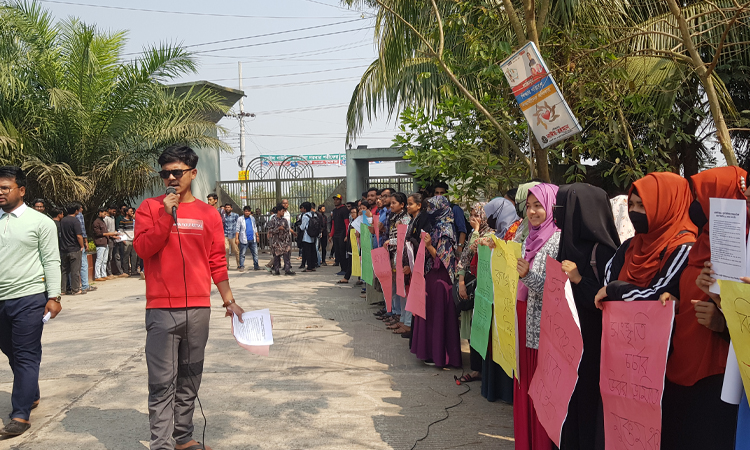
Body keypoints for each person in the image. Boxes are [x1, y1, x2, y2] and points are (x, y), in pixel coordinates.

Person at [133, 145, 246, 450]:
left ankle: (182, 437)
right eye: (165, 173)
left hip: (198, 309)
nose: (170, 178)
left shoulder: (209, 214)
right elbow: (144, 249)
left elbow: (217, 263)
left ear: (192, 174)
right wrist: (166, 217)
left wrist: (229, 300)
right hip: (161, 310)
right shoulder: (148, 208)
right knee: (161, 382)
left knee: (190, 376)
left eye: (177, 172)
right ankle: (161, 444)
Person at [660, 167, 742, 450]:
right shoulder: (702, 243)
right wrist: (674, 299)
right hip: (683, 361)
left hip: (717, 374)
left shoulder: (741, 249)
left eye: (701, 196)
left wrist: (722, 323)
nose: (694, 205)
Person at [554, 183, 620, 450]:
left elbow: (609, 300)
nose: (557, 213)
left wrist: (578, 279)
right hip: (568, 342)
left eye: (563, 207)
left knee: (588, 402)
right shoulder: (566, 244)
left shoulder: (604, 252)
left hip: (592, 346)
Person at [0, 166, 61, 438]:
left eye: (5, 187)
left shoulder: (41, 222)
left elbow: (51, 260)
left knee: (25, 354)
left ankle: (20, 415)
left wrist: (54, 296)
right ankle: (31, 392)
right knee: (12, 352)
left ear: (21, 190)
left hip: (29, 298)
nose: (0, 192)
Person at [515, 183, 561, 450]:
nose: (532, 212)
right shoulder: (529, 238)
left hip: (542, 328)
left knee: (541, 390)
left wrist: (527, 276)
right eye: (529, 206)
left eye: (538, 206)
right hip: (524, 319)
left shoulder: (556, 240)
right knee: (526, 385)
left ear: (551, 207)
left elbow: (555, 290)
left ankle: (540, 443)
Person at [410, 195, 462, 368]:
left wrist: (429, 245)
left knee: (438, 314)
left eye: (433, 207)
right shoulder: (436, 226)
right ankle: (430, 351)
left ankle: (440, 354)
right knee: (430, 313)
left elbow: (443, 260)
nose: (430, 211)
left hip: (441, 279)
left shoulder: (446, 230)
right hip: (432, 276)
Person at [384, 192, 412, 335]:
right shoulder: (395, 217)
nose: (391, 205)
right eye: (391, 203)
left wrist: (391, 242)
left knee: (404, 290)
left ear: (402, 205)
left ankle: (406, 321)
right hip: (395, 255)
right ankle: (401, 318)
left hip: (403, 257)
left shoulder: (406, 219)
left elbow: (405, 239)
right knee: (398, 289)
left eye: (394, 203)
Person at [431, 182, 468, 258]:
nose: (439, 195)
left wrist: (460, 248)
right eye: (437, 193)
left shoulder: (455, 209)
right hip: (434, 251)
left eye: (442, 193)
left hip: (452, 251)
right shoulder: (433, 210)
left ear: (447, 194)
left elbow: (462, 230)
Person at [60, 203, 86, 295]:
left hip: (64, 249)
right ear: (76, 211)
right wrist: (82, 246)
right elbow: (79, 235)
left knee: (64, 271)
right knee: (75, 270)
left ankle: (63, 290)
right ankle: (76, 289)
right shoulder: (75, 221)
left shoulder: (62, 220)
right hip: (74, 249)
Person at [267, 205, 295, 276]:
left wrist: (288, 240)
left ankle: (287, 269)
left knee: (286, 256)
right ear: (278, 211)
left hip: (285, 241)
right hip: (277, 242)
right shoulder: (273, 220)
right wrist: (278, 229)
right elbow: (270, 231)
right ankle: (276, 270)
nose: (283, 213)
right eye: (282, 211)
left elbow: (287, 230)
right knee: (277, 256)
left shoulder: (284, 220)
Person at [92, 207, 118, 281]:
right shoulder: (96, 222)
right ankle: (97, 275)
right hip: (100, 242)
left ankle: (103, 274)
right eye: (104, 213)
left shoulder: (102, 221)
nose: (105, 215)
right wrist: (110, 233)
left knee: (105, 260)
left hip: (105, 242)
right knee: (99, 260)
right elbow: (98, 233)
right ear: (100, 212)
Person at [75, 203, 95, 291]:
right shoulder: (79, 216)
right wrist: (85, 242)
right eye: (81, 208)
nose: (82, 209)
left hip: (71, 245)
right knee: (83, 264)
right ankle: (85, 285)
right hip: (79, 243)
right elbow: (82, 230)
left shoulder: (66, 218)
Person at [339, 205, 358, 284]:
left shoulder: (358, 222)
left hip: (356, 244)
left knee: (354, 261)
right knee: (351, 260)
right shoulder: (352, 222)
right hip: (351, 244)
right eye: (351, 213)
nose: (352, 214)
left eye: (354, 212)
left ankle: (347, 277)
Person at [238, 206, 260, 271]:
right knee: (242, 254)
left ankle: (256, 266)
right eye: (246, 211)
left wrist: (257, 236)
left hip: (252, 239)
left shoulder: (252, 218)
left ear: (250, 212)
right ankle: (241, 265)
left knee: (255, 253)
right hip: (244, 239)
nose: (247, 212)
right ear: (243, 212)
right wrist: (237, 238)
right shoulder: (240, 219)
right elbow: (237, 229)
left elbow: (255, 227)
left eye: (248, 211)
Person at [329, 194, 348, 269]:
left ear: (340, 200)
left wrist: (347, 235)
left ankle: (345, 269)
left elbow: (346, 223)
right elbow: (333, 224)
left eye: (337, 199)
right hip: (336, 234)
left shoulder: (344, 210)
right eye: (334, 199)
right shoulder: (334, 211)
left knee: (342, 251)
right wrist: (331, 235)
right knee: (337, 252)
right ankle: (342, 268)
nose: (335, 201)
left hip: (342, 233)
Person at [298, 202, 318, 273]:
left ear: (305, 208)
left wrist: (298, 227)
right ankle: (313, 266)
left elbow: (302, 227)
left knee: (307, 252)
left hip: (307, 236)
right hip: (313, 236)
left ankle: (309, 267)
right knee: (313, 251)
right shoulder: (314, 214)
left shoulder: (305, 216)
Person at [222, 203, 241, 270]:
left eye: (228, 207)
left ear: (231, 208)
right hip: (225, 235)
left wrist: (237, 237)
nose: (227, 208)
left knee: (236, 250)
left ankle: (239, 264)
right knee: (226, 251)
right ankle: (226, 266)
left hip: (233, 235)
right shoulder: (223, 216)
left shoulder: (235, 215)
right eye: (226, 207)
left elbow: (238, 226)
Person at [120, 207, 138, 276]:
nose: (132, 213)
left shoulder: (133, 221)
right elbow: (121, 231)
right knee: (126, 256)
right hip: (127, 240)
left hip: (133, 240)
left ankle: (133, 270)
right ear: (127, 212)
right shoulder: (123, 221)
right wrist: (123, 240)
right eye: (131, 211)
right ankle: (126, 271)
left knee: (134, 256)